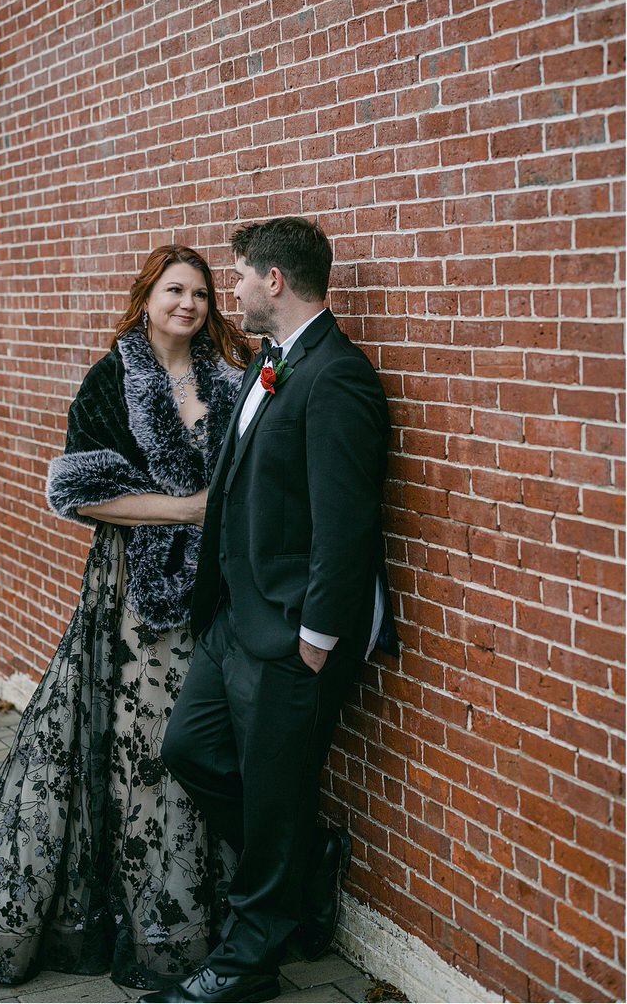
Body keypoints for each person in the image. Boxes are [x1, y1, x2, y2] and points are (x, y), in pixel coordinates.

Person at [0, 245, 253, 991]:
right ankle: (150, 926)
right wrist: (189, 509)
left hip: (210, 591)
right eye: (176, 290)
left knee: (195, 746)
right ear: (146, 297)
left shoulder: (230, 383)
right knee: (136, 750)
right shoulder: (112, 379)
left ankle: (193, 911)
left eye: (202, 293)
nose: (190, 304)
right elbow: (76, 492)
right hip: (132, 596)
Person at [139, 217, 399, 1004]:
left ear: (276, 281)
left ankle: (248, 962)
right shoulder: (272, 364)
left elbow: (345, 522)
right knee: (189, 749)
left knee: (276, 790)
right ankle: (304, 869)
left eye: (243, 273)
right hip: (234, 623)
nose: (236, 287)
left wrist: (315, 641)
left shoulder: (337, 376)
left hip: (291, 635)